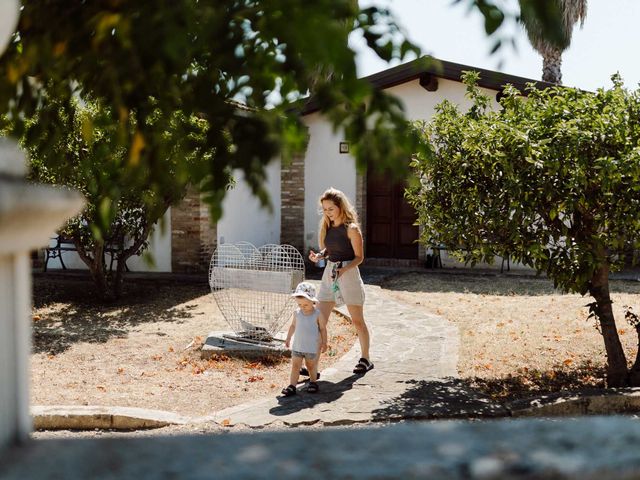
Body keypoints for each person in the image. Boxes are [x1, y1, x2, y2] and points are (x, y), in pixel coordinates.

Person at [308, 187, 373, 375]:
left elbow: (359, 257)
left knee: (358, 321)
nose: (327, 213)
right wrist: (319, 256)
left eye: (330, 209)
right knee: (319, 322)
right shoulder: (327, 226)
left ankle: (366, 358)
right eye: (325, 209)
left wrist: (344, 269)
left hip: (348, 273)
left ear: (340, 207)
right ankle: (313, 366)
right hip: (330, 273)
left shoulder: (352, 229)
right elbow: (329, 250)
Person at [281, 282, 327, 397]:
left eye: (305, 305)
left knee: (311, 366)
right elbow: (292, 326)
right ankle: (292, 386)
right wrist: (288, 338)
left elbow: (322, 328)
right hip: (298, 346)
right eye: (300, 304)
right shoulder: (297, 313)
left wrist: (325, 342)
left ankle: (313, 382)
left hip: (311, 347)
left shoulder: (317, 314)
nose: (302, 307)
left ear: (313, 301)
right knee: (295, 366)